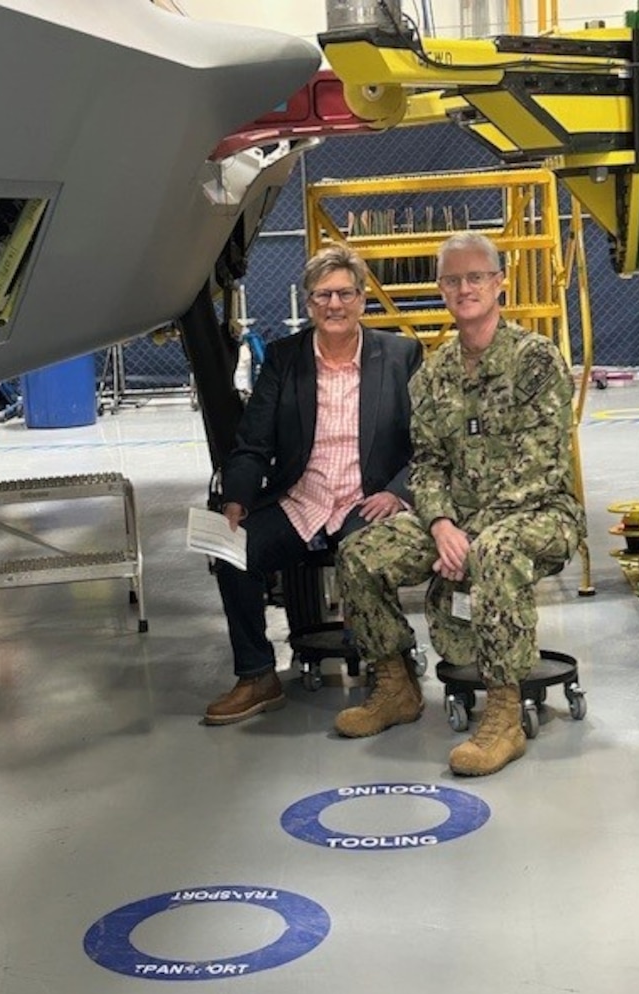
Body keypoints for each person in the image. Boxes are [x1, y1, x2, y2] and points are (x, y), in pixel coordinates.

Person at [334, 230, 586, 776]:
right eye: (453, 279)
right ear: (441, 289)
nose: (464, 287)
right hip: (456, 522)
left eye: (476, 277)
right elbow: (427, 465)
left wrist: (463, 535)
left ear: (499, 283)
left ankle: (503, 714)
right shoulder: (432, 376)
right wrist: (443, 523)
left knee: (492, 551)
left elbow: (539, 471)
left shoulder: (535, 361)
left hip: (540, 516)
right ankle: (395, 683)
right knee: (360, 552)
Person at [203, 244, 423, 725]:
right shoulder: (285, 359)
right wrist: (235, 499)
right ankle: (257, 674)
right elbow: (252, 443)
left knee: (362, 553)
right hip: (304, 495)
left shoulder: (401, 355)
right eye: (322, 295)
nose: (334, 305)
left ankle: (394, 667)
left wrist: (399, 492)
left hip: (369, 498)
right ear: (308, 303)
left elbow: (427, 444)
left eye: (344, 293)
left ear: (362, 299)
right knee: (231, 551)